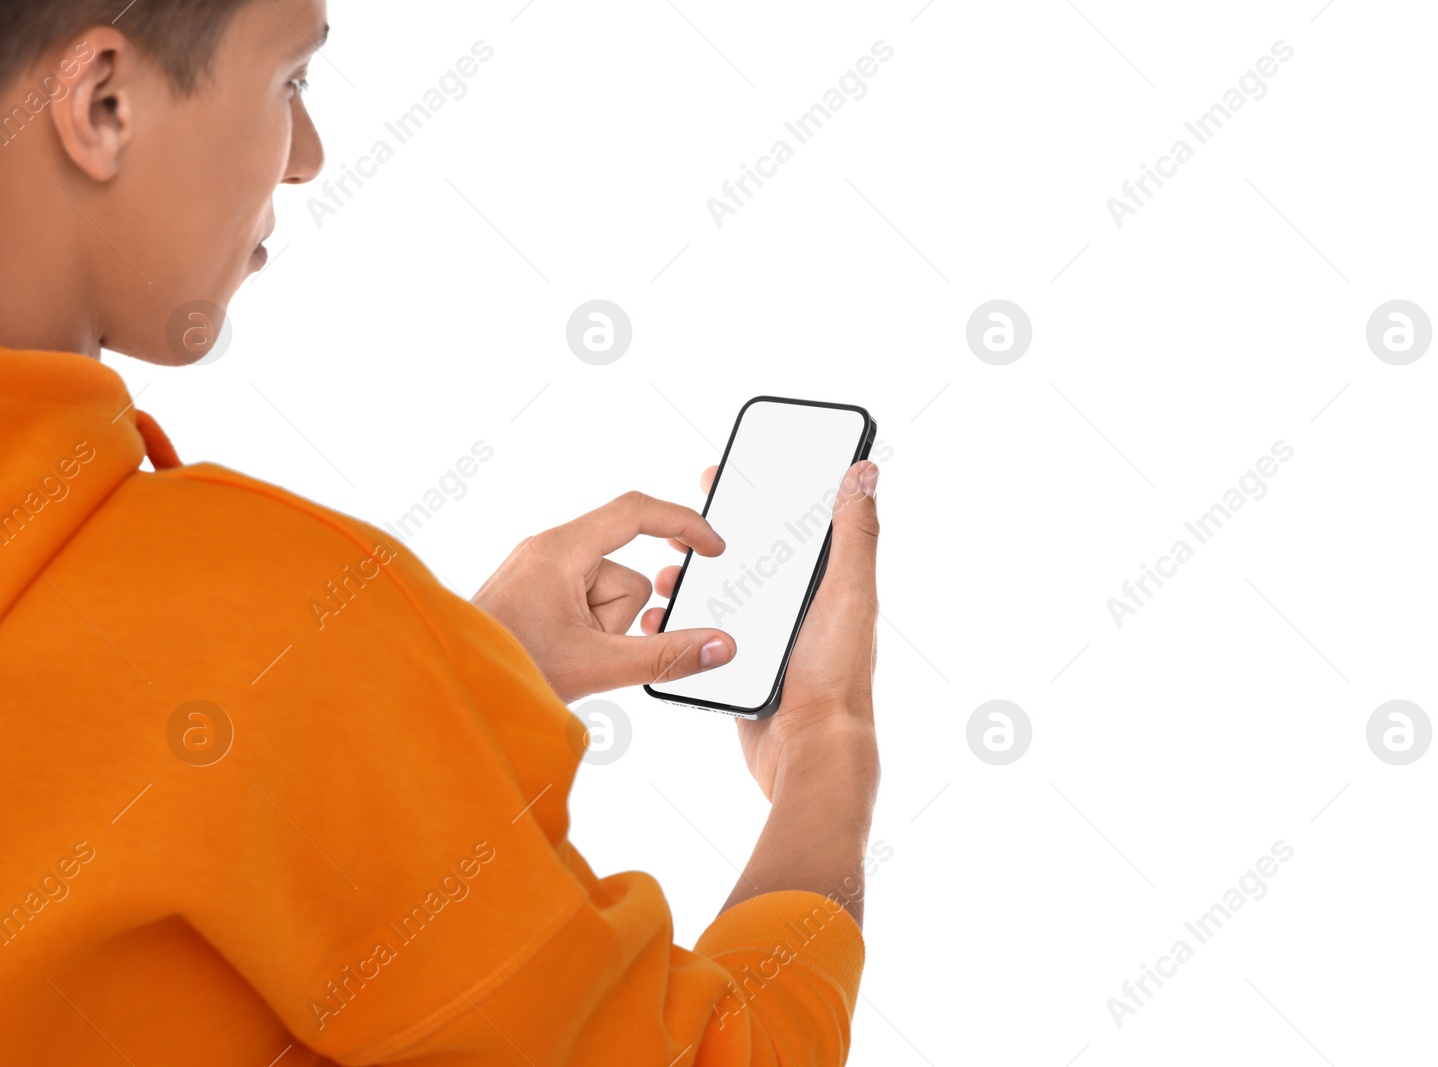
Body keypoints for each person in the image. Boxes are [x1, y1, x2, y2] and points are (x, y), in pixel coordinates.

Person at [0, 1, 883, 1063]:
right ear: (102, 103)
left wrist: (437, 684)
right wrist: (827, 748)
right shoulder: (268, 620)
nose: (309, 158)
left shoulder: (253, 644)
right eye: (292, 81)